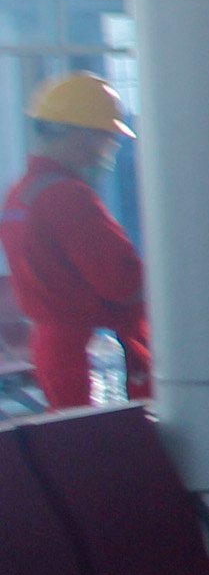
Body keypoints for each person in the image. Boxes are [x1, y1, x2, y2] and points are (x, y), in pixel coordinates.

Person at [3, 72, 148, 408]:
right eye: (107, 138)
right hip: (87, 354)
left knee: (72, 433)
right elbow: (122, 282)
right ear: (83, 136)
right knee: (103, 436)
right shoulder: (68, 197)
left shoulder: (20, 195)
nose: (108, 149)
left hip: (55, 350)